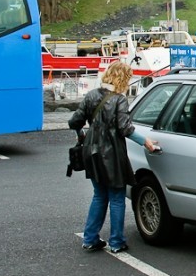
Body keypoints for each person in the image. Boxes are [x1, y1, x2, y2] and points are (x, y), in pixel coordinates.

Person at [68, 61, 159, 253]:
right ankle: (116, 241)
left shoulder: (91, 95)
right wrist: (146, 142)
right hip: (112, 153)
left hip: (91, 150)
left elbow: (74, 120)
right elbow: (125, 128)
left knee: (99, 195)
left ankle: (90, 238)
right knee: (117, 197)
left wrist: (80, 134)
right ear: (123, 78)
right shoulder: (119, 99)